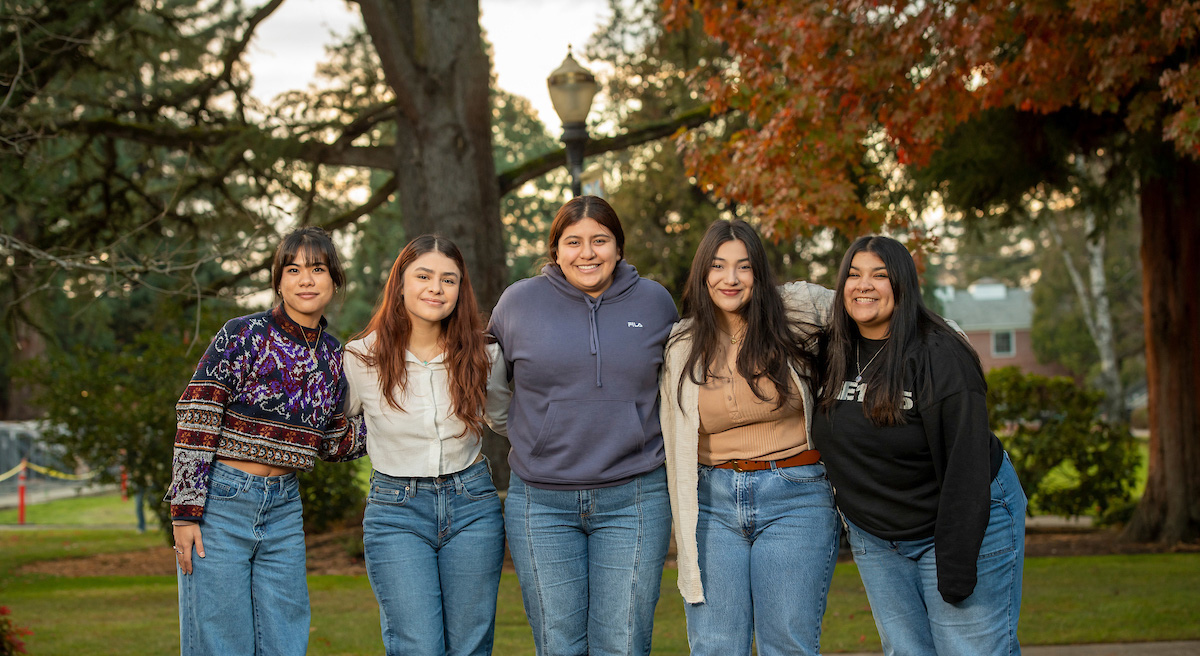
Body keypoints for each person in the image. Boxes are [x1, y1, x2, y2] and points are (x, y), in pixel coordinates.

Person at [812, 235, 1026, 656]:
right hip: (876, 535)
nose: (863, 285)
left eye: (880, 275)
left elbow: (966, 466)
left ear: (903, 285)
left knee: (969, 648)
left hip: (958, 517)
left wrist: (958, 564)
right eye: (853, 275)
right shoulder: (830, 349)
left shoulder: (940, 355)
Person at [487, 195, 679, 656]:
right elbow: (489, 386)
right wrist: (528, 434)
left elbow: (675, 391)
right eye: (573, 242)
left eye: (600, 240)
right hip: (542, 503)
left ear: (618, 247)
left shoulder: (654, 302)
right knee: (558, 645)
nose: (587, 253)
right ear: (555, 250)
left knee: (624, 642)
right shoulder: (518, 302)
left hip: (634, 498)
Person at [167, 226, 367, 656]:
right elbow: (198, 416)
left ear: (334, 280)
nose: (306, 280)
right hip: (222, 501)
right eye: (293, 270)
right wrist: (185, 513)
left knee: (285, 638)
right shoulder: (243, 335)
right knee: (222, 640)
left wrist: (397, 422)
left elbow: (332, 440)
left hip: (284, 508)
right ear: (279, 281)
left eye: (317, 269)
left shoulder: (335, 357)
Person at [659, 219, 838, 656]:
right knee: (715, 646)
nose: (731, 278)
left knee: (787, 645)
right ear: (703, 274)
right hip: (712, 504)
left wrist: (941, 340)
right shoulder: (681, 343)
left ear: (759, 272)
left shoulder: (797, 311)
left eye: (743, 267)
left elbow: (872, 309)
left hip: (795, 496)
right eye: (718, 266)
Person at [343, 235, 511, 656]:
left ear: (460, 290)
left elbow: (506, 420)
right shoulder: (361, 358)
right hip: (396, 511)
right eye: (423, 276)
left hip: (472, 504)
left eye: (448, 280)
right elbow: (330, 425)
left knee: (470, 646)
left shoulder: (484, 354)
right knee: (417, 646)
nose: (436, 288)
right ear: (400, 283)